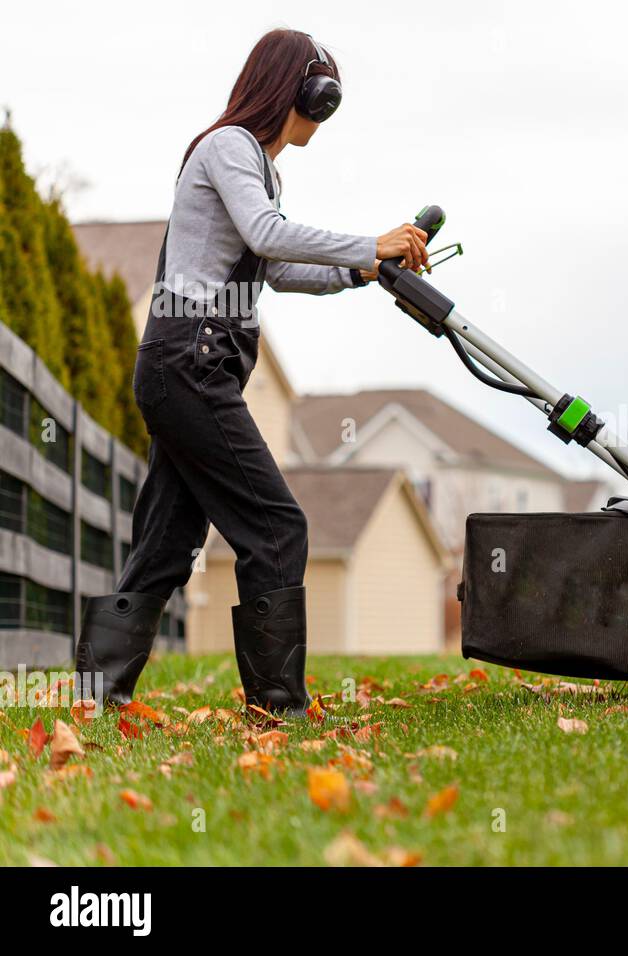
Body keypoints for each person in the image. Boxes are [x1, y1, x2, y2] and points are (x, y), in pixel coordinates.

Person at [75, 28, 431, 715]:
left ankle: (96, 696)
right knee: (277, 527)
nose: (323, 113)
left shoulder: (260, 167)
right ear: (296, 90)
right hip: (191, 362)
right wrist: (366, 240)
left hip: (195, 366)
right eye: (320, 95)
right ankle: (278, 706)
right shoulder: (227, 147)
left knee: (166, 540)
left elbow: (279, 266)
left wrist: (367, 268)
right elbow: (268, 234)